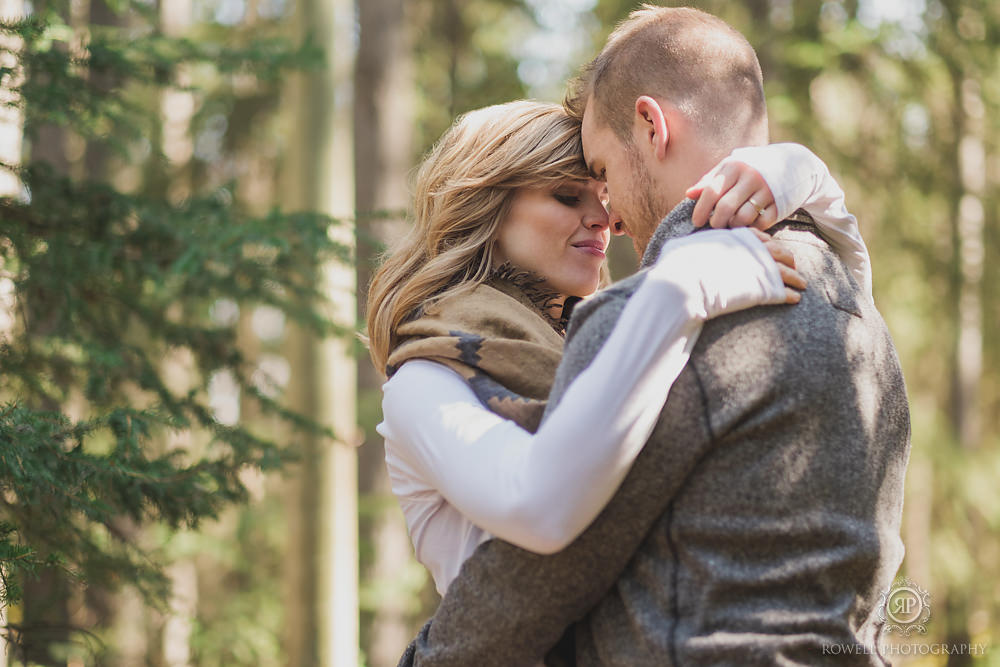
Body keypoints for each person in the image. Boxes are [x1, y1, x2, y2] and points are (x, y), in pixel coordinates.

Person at [397, 7, 910, 667]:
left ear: (651, 125)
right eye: (571, 192)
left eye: (601, 173)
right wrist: (808, 177)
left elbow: (534, 578)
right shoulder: (862, 317)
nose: (605, 213)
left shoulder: (650, 319)